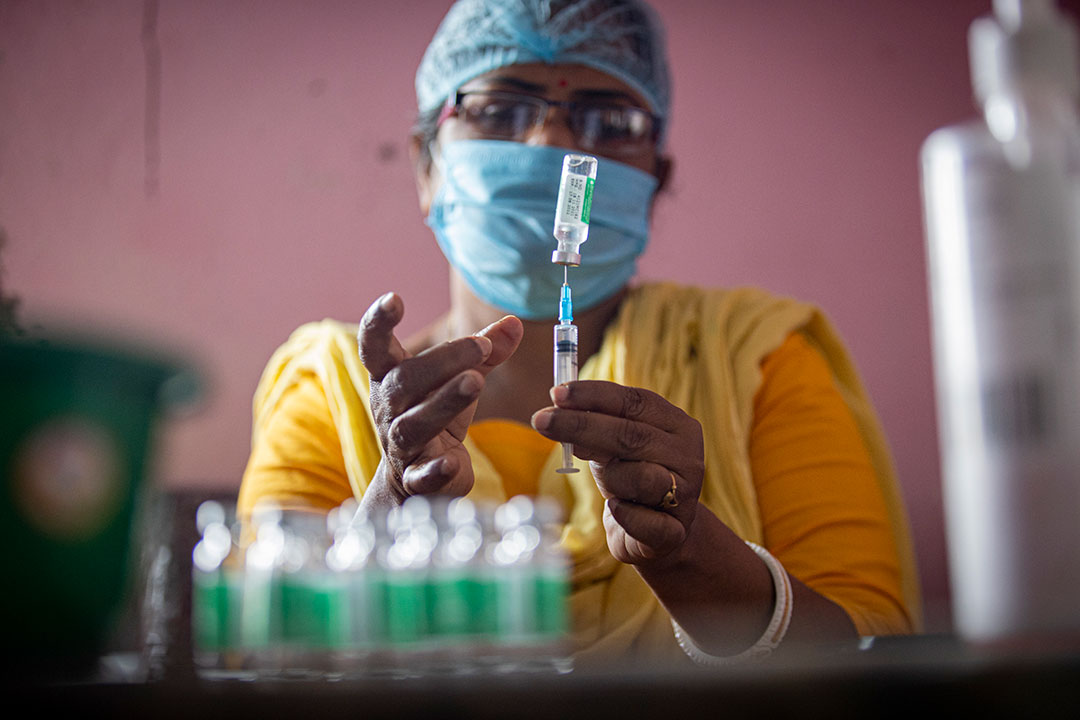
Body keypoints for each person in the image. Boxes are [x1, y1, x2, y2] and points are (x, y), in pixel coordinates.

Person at [238, 0, 921, 666]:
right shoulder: (337, 392)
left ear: (655, 179)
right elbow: (254, 659)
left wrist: (690, 553)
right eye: (499, 110)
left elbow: (876, 658)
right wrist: (392, 500)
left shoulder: (751, 359)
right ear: (426, 164)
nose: (553, 145)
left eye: (610, 120)